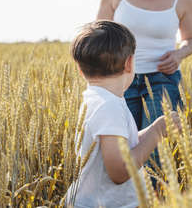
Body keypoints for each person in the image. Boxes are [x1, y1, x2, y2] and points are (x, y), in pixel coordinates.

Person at [66, 20, 181, 208]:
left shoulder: (96, 99)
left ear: (79, 69)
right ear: (129, 63)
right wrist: (156, 133)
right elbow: (119, 171)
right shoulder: (109, 107)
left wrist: (154, 127)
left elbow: (124, 145)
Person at [96, 0, 192, 131]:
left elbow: (191, 40)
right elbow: (99, 35)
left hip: (163, 79)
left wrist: (178, 54)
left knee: (155, 151)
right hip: (121, 77)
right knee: (124, 144)